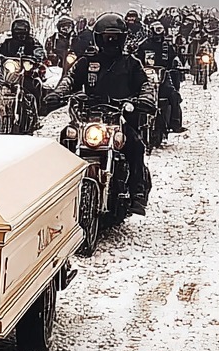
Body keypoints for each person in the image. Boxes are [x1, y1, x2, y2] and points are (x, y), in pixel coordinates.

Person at [49, 12, 154, 215]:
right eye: (107, 36)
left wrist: (145, 99)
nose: (111, 40)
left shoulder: (131, 63)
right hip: (88, 118)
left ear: (122, 38)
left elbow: (146, 85)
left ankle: (137, 194)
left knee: (135, 145)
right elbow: (70, 80)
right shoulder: (87, 62)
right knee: (66, 138)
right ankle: (56, 189)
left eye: (115, 36)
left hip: (119, 118)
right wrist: (57, 94)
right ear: (98, 38)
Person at [135, 20, 184, 132]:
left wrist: (177, 64)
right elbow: (136, 59)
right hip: (146, 76)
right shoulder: (143, 45)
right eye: (155, 32)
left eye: (160, 33)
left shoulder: (167, 45)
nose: (158, 36)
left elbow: (174, 57)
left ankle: (175, 123)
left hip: (163, 76)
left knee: (173, 95)